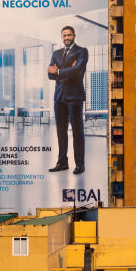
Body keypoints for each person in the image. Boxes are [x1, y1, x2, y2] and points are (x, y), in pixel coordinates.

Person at [47, 25, 88, 175]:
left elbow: (77, 72)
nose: (67, 38)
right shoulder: (56, 53)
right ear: (61, 37)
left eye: (69, 35)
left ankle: (80, 165)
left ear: (74, 36)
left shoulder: (82, 51)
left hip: (74, 97)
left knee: (77, 131)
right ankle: (62, 162)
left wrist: (58, 70)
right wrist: (66, 70)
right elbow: (50, 75)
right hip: (59, 97)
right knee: (60, 131)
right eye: (64, 36)